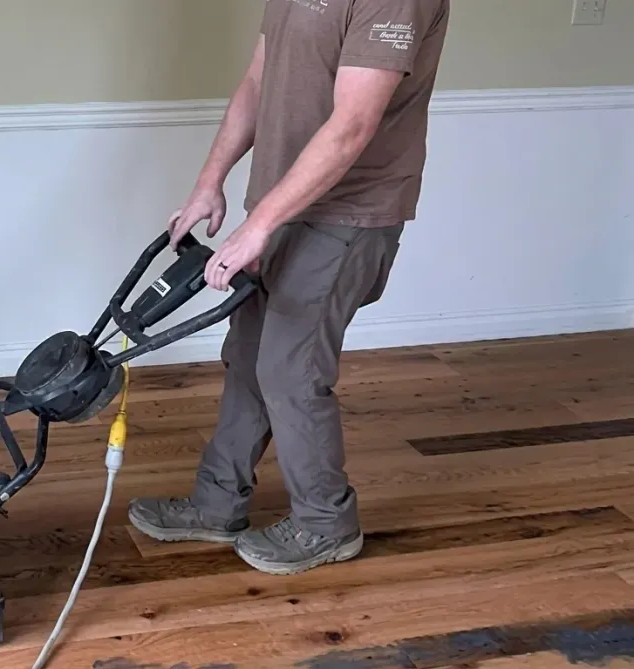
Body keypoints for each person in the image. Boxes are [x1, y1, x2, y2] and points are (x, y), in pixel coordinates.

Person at [128, 0, 451, 576]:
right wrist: (210, 183)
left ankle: (327, 523)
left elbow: (352, 125)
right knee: (248, 355)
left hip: (348, 215)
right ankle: (216, 503)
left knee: (290, 369)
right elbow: (257, 80)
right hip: (283, 203)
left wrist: (258, 226)